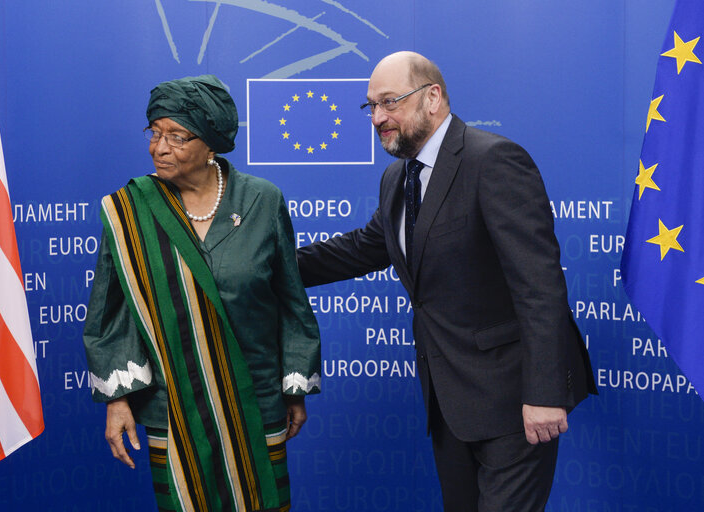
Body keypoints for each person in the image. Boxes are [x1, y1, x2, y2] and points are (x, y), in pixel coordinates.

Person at [296, 51, 597, 511]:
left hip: (514, 403)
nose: (378, 117)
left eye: (390, 102)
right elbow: (362, 248)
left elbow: (540, 288)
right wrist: (266, 265)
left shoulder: (493, 161)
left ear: (432, 97)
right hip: (448, 405)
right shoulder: (398, 177)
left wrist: (544, 393)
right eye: (370, 106)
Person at [83, 75, 320, 512]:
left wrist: (295, 388)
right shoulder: (128, 210)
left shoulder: (262, 200)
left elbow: (290, 300)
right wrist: (116, 401)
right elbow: (108, 313)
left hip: (256, 399)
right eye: (154, 133)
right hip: (172, 408)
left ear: (210, 143)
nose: (159, 147)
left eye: (176, 136)